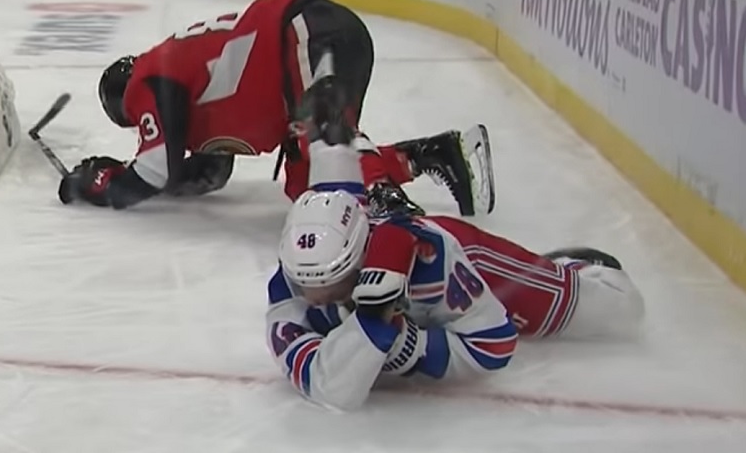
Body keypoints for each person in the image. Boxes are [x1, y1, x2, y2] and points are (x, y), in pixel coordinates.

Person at [264, 101, 645, 411]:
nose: (312, 297)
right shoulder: (287, 288)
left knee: (618, 310)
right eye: (303, 282)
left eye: (332, 281)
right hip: (410, 274)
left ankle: (566, 271)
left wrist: (400, 343)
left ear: (359, 258)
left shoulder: (432, 259)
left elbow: (493, 344)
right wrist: (385, 331)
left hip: (473, 260)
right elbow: (330, 388)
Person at [55, 0, 495, 215]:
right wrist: (130, 173)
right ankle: (436, 154)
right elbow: (209, 172)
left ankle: (394, 220)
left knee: (329, 154)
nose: (143, 125)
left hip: (304, 35)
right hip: (317, 35)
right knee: (310, 185)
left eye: (137, 123)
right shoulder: (184, 83)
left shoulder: (148, 79)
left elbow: (156, 168)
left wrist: (94, 183)